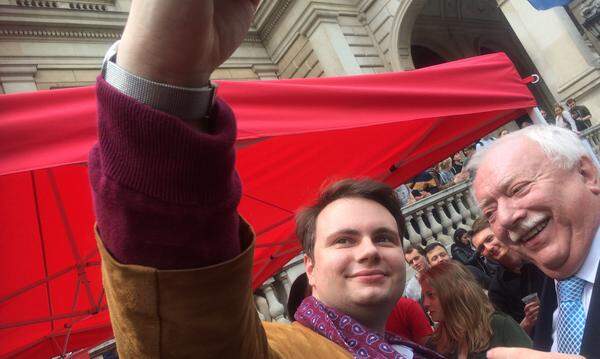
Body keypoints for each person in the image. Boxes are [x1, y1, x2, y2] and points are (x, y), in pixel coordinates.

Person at [90, 2, 447, 357]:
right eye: (344, 241)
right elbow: (190, 325)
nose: (369, 251)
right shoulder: (274, 350)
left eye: (384, 238)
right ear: (310, 268)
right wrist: (164, 79)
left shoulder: (410, 350)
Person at [470, 125, 600, 358]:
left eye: (518, 189)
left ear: (585, 174)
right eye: (490, 212)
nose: (506, 218)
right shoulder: (552, 284)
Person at [420, 261, 532, 358]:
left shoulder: (499, 325)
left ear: (454, 293)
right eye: (423, 297)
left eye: (431, 295)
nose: (425, 304)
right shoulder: (434, 344)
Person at [470, 217, 546, 335]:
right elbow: (511, 336)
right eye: (482, 248)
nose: (488, 248)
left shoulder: (538, 253)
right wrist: (528, 321)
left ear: (501, 232)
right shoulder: (497, 290)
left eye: (489, 239)